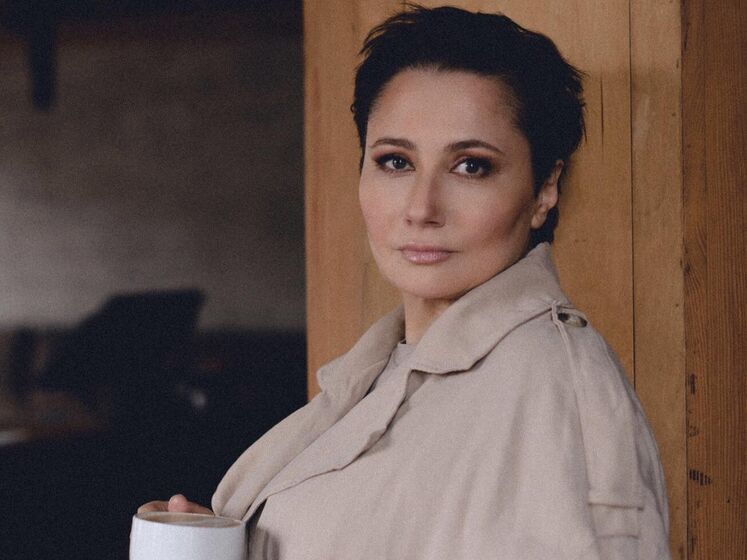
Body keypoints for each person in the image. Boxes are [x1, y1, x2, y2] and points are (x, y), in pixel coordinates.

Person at [140, 6, 671, 559]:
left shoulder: (557, 401)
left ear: (545, 189)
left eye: (471, 166)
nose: (421, 208)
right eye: (396, 162)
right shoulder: (378, 374)